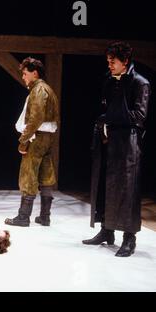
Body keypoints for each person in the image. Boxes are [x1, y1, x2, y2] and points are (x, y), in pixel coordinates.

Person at [83, 42, 150, 257]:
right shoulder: (109, 81)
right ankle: (107, 230)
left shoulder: (140, 83)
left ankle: (129, 238)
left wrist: (111, 117)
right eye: (108, 60)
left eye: (113, 61)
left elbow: (139, 117)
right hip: (109, 141)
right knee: (105, 186)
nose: (109, 64)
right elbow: (104, 108)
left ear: (125, 61)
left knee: (127, 190)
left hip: (128, 144)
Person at [4, 57, 59, 227]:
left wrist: (23, 140)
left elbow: (36, 118)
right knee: (46, 173)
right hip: (48, 138)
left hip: (37, 137)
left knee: (28, 173)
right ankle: (45, 216)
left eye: (25, 73)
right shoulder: (48, 89)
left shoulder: (38, 90)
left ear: (34, 73)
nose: (23, 77)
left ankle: (23, 216)